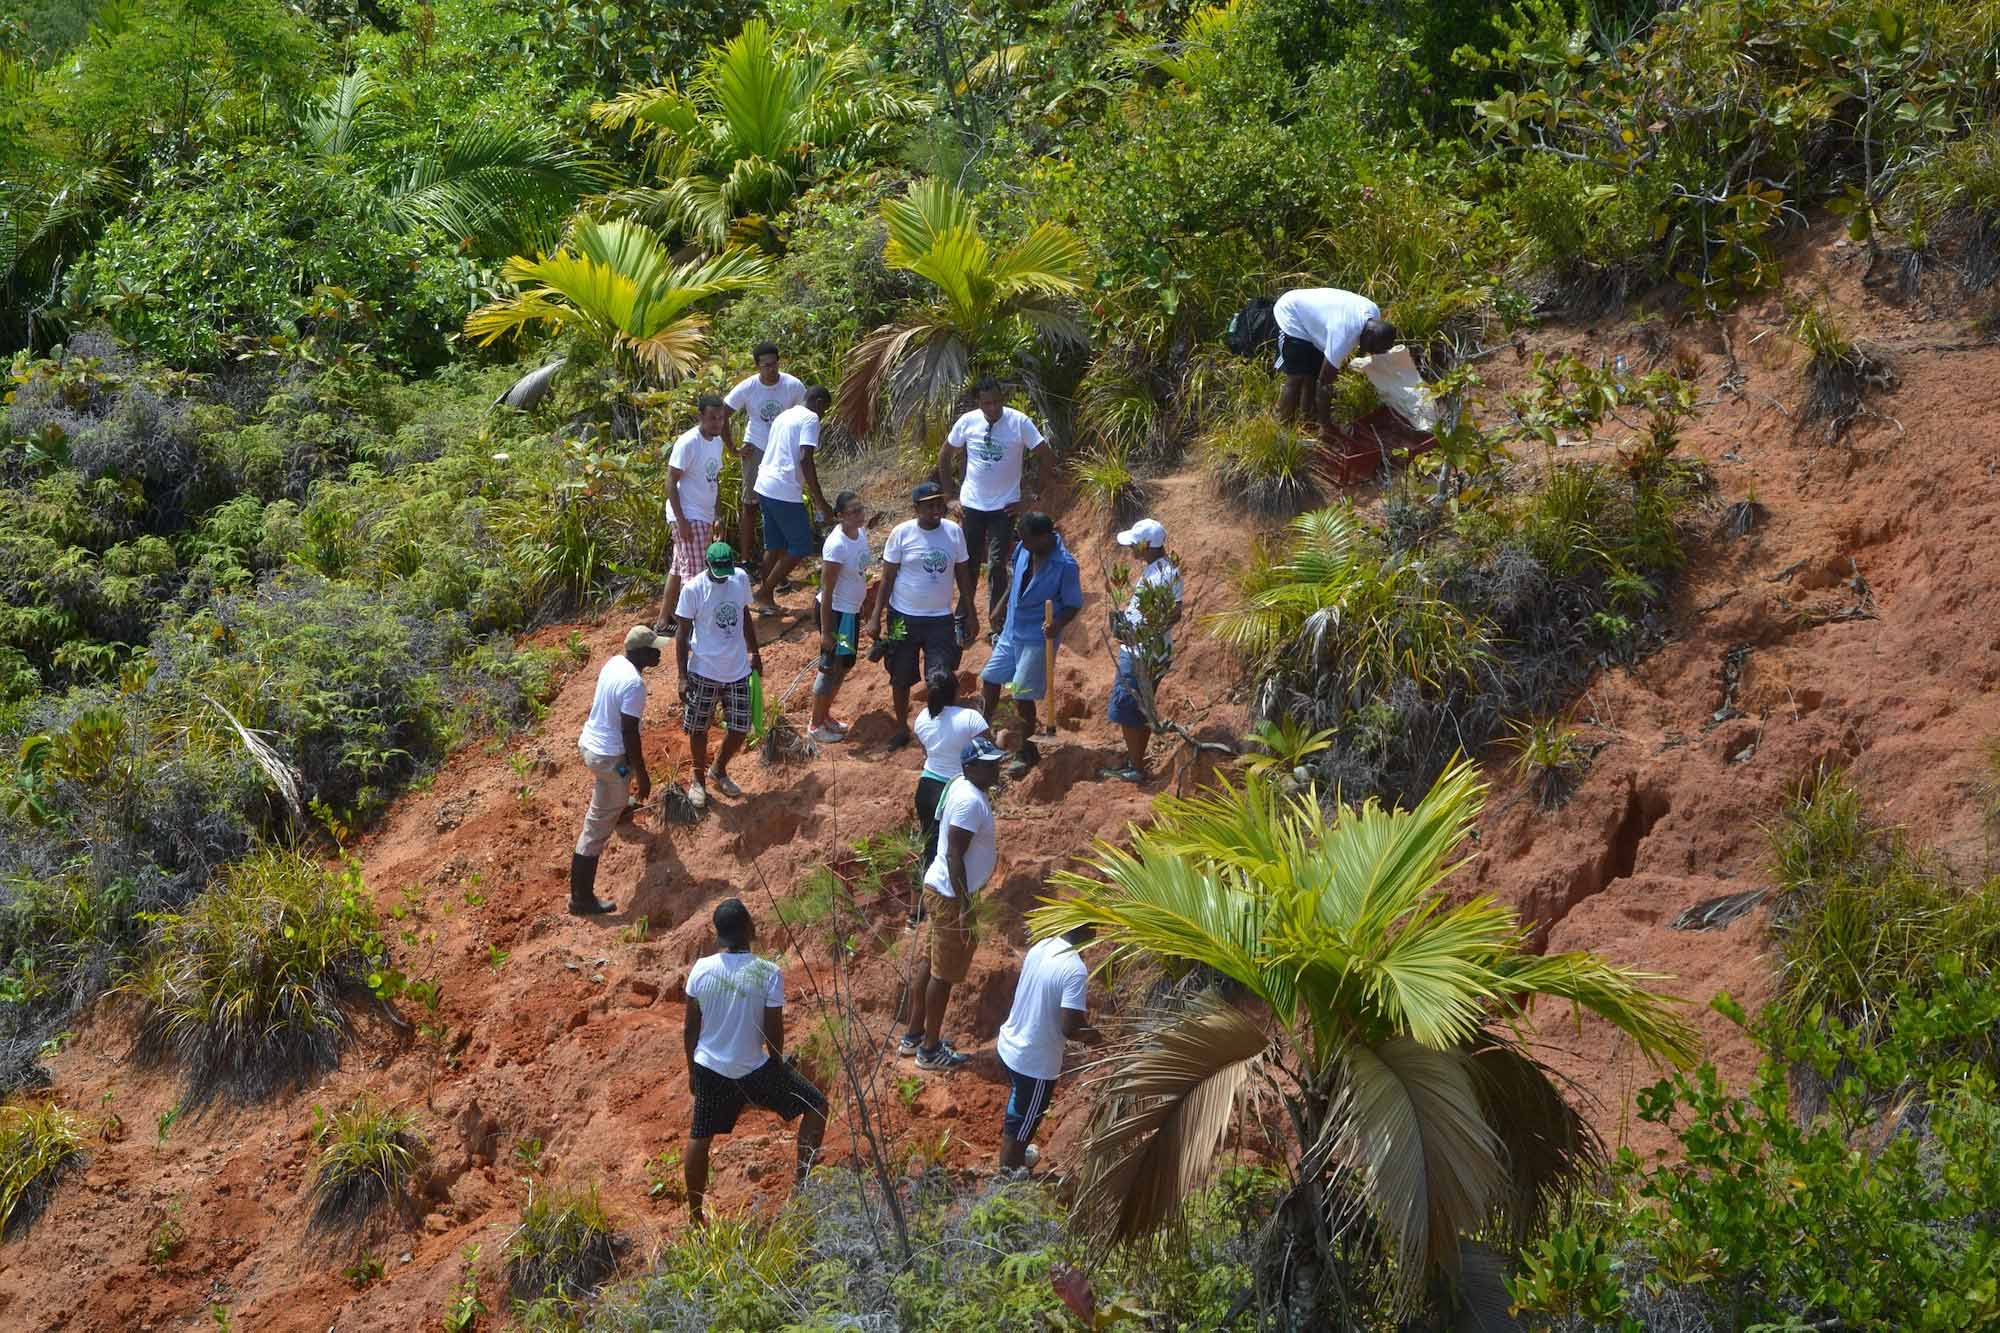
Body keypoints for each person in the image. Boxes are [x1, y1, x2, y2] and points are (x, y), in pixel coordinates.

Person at [682, 897, 828, 1227]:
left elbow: (690, 1027)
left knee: (700, 1135)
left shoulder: (701, 969)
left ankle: (694, 1218)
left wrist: (693, 1071)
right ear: (749, 928)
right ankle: (802, 1190)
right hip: (753, 1070)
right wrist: (778, 1064)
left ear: (718, 935)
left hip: (710, 1068)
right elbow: (772, 1028)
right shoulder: (767, 972)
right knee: (816, 1105)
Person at [901, 736, 1004, 1071]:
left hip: (941, 887)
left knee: (931, 964)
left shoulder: (961, 783)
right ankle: (929, 1050)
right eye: (989, 764)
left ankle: (914, 1035)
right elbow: (954, 853)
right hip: (950, 895)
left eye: (996, 762)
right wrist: (965, 907)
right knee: (942, 975)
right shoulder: (970, 802)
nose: (996, 768)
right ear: (970, 767)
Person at [871, 481, 975, 749]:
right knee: (900, 675)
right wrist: (876, 616)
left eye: (938, 505)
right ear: (916, 508)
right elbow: (887, 579)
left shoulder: (954, 533)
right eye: (928, 506)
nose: (935, 511)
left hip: (940, 618)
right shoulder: (901, 534)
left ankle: (941, 729)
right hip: (902, 617)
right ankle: (902, 728)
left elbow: (963, 575)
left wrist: (969, 610)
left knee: (940, 675)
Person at [978, 511, 1082, 778]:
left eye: (1026, 539)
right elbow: (1015, 581)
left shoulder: (1065, 565)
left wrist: (1056, 624)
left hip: (1038, 636)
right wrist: (1000, 605)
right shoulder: (1025, 549)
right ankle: (982, 732)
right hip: (1013, 628)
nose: (1022, 544)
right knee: (990, 678)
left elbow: (1072, 604)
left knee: (1022, 692)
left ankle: (1027, 750)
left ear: (1044, 537)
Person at [937, 377, 1045, 627]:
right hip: (972, 505)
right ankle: (964, 617)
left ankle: (997, 622)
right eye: (987, 403)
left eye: (997, 402)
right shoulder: (967, 422)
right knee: (968, 562)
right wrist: (949, 497)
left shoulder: (1019, 422)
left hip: (1004, 507)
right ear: (979, 403)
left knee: (997, 564)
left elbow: (1046, 456)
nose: (994, 408)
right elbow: (945, 456)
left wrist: (1031, 497)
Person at [570, 626, 662, 915]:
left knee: (622, 779)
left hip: (591, 744)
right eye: (653, 649)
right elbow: (629, 733)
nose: (658, 653)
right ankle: (580, 899)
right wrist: (643, 774)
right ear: (641, 653)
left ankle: (619, 806)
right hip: (609, 759)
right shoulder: (634, 685)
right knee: (595, 829)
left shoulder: (615, 662)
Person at [994, 922, 1095, 1175]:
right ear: (1087, 931)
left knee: (1019, 1109)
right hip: (1035, 1064)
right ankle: (1009, 1175)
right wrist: (1098, 1038)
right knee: (1023, 1121)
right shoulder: (1075, 969)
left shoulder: (1043, 945)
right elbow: (1070, 1027)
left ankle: (1018, 1152)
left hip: (1010, 1044)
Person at [675, 541, 762, 809]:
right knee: (699, 727)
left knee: (739, 727)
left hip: (737, 669)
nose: (723, 576)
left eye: (727, 570)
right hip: (704, 669)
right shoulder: (693, 590)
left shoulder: (740, 579)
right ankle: (698, 779)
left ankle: (719, 769)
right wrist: (681, 675)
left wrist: (755, 652)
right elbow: (682, 633)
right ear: (707, 566)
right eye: (718, 571)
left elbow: (744, 614)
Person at [1103, 519, 1183, 785]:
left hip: (1143, 652)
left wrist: (1137, 634)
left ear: (1146, 544)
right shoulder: (1158, 570)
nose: (1130, 550)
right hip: (1146, 649)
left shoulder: (1163, 574)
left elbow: (1172, 614)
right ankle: (1136, 761)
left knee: (1128, 707)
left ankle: (1136, 768)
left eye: (1134, 544)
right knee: (1139, 707)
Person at [910, 669, 992, 929]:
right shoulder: (971, 718)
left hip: (927, 787)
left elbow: (925, 750)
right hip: (956, 791)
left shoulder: (922, 717)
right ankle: (952, 907)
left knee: (929, 847)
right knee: (955, 851)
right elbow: (984, 753)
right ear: (956, 691)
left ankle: (915, 912)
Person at [751, 385, 835, 615]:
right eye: (825, 409)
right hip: (783, 489)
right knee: (801, 545)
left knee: (775, 544)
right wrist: (820, 500)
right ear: (817, 402)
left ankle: (765, 599)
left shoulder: (784, 415)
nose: (823, 414)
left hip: (764, 483)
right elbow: (806, 458)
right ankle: (764, 591)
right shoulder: (810, 419)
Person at [723, 343, 807, 565]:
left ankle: (780, 557)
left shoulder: (793, 386)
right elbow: (724, 413)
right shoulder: (748, 387)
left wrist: (801, 447)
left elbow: (805, 416)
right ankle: (745, 559)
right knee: (750, 504)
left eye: (774, 364)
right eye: (766, 365)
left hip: (784, 449)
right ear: (758, 366)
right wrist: (733, 448)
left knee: (781, 501)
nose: (771, 369)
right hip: (757, 446)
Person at [1271, 287, 1398, 431]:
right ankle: (1282, 428)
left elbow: (1321, 376)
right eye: (1371, 347)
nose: (1370, 352)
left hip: (1316, 319)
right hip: (1292, 313)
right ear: (1368, 336)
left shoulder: (1374, 313)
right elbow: (1324, 384)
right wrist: (1326, 425)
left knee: (1313, 373)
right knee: (1297, 377)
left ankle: (1307, 422)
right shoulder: (1343, 335)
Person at [656, 394, 729, 635]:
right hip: (688, 514)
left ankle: (663, 621)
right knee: (695, 575)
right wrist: (682, 521)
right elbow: (670, 481)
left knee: (679, 569)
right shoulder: (688, 443)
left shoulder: (716, 442)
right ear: (700, 416)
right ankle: (693, 631)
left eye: (720, 418)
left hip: (703, 514)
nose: (717, 423)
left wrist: (717, 514)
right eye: (712, 418)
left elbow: (713, 479)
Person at [809, 490, 871, 744]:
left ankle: (825, 716)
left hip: (851, 612)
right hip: (836, 614)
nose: (859, 515)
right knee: (831, 666)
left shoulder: (860, 535)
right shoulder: (836, 545)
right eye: (853, 511)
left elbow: (858, 573)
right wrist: (826, 632)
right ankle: (815, 724)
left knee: (844, 666)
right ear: (840, 516)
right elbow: (828, 591)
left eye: (860, 509)